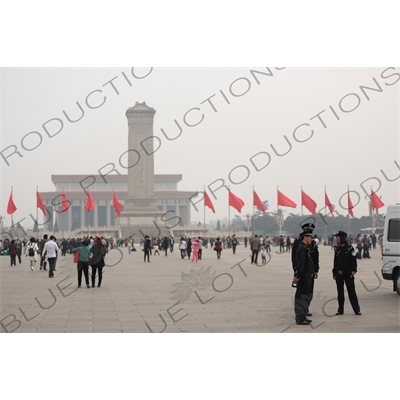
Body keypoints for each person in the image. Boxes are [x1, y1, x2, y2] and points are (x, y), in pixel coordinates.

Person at [332, 231, 361, 315]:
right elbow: (335, 262)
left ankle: (357, 309)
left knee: (351, 291)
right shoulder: (337, 249)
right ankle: (340, 310)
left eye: (338, 238)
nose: (337, 239)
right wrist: (334, 272)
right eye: (336, 238)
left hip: (348, 274)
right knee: (340, 293)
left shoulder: (350, 248)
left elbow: (353, 260)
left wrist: (354, 270)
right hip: (339, 274)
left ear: (343, 238)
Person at [293, 231, 315, 325]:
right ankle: (299, 318)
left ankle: (303, 316)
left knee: (305, 297)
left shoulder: (305, 248)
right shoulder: (302, 248)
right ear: (305, 237)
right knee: (301, 298)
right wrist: (298, 275)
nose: (312, 239)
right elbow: (300, 263)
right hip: (303, 277)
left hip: (308, 276)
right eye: (310, 237)